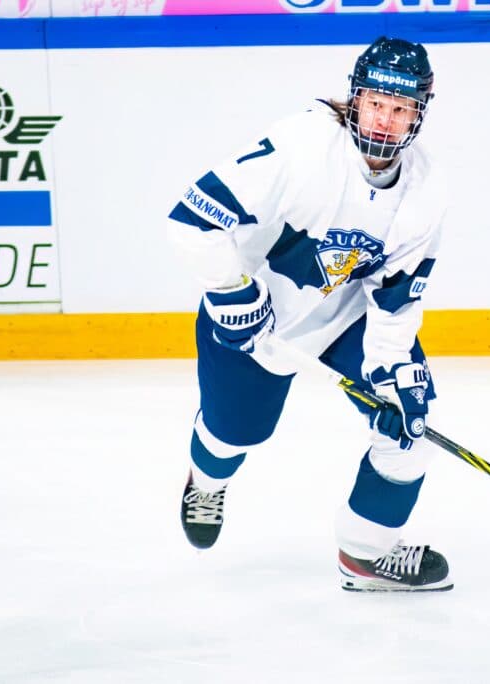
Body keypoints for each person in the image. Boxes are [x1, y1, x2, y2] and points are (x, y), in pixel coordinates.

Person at [166, 37, 451, 593]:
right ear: (356, 98)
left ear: (419, 111)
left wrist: (393, 371)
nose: (386, 120)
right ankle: (205, 480)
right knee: (234, 436)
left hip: (346, 318)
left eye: (400, 109)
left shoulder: (427, 188)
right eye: (375, 104)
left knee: (408, 429)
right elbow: (189, 222)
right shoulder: (301, 147)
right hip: (254, 320)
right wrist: (232, 294)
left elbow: (395, 296)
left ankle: (366, 555)